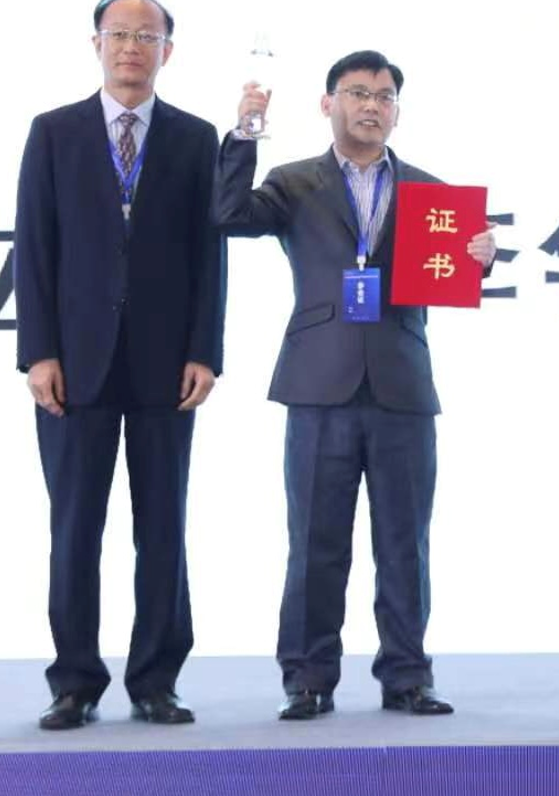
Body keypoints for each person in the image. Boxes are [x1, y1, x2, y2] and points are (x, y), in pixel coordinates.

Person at [213, 52, 491, 720]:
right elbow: (228, 214)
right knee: (315, 541)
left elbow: (453, 271)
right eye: (358, 92)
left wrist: (480, 258)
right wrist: (244, 134)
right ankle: (308, 677)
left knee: (404, 544)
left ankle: (407, 675)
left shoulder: (431, 192)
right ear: (327, 103)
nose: (372, 105)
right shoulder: (294, 182)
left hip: (402, 384)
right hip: (318, 383)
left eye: (384, 96)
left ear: (397, 111)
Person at [15, 0, 226, 731]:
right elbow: (34, 247)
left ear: (168, 50)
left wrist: (205, 350)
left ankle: (156, 680)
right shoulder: (54, 132)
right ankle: (74, 681)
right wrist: (38, 353)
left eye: (147, 36)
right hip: (75, 365)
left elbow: (209, 255)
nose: (132, 47)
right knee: (75, 527)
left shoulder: (196, 138)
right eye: (120, 33)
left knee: (162, 526)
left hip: (168, 365)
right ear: (96, 44)